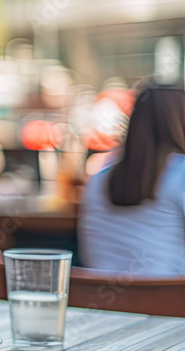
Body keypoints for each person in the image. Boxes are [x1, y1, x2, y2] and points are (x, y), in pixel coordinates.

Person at [79, 85, 185, 275]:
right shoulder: (180, 173)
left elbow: (88, 254)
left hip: (103, 301)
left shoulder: (97, 181)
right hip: (170, 301)